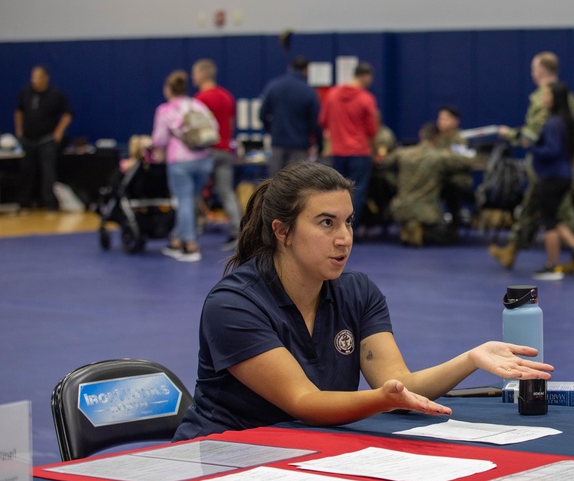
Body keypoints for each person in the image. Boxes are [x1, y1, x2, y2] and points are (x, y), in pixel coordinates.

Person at [172, 161, 552, 439]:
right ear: (282, 231)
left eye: (348, 221)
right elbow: (305, 401)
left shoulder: (356, 292)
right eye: (326, 223)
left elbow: (399, 382)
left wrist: (471, 358)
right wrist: (383, 400)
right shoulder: (234, 304)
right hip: (222, 459)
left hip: (300, 455)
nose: (344, 238)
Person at [489, 52, 574, 272]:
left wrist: (512, 135)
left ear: (540, 71)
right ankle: (512, 249)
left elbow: (537, 133)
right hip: (562, 165)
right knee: (536, 209)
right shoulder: (567, 95)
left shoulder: (546, 97)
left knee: (556, 213)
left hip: (549, 168)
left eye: (533, 68)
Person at [523, 82, 574, 279]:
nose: (543, 98)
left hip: (552, 177)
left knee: (548, 221)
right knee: (554, 216)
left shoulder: (553, 123)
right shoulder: (567, 122)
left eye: (547, 94)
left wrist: (531, 146)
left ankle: (552, 266)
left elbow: (552, 150)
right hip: (563, 176)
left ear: (555, 98)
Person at [151, 71, 216, 262]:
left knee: (184, 201)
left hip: (180, 161)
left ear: (168, 90)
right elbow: (214, 128)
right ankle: (177, 241)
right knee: (192, 200)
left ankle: (190, 245)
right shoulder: (197, 105)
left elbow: (159, 139)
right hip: (204, 160)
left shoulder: (165, 110)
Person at [382, 122, 477, 246]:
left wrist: (393, 181)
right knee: (445, 236)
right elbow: (468, 161)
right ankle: (420, 228)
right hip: (426, 213)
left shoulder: (403, 153)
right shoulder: (440, 157)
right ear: (438, 138)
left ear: (421, 135)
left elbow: (382, 163)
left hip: (399, 208)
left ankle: (407, 226)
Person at [192, 59, 241, 248]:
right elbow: (230, 125)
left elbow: (196, 131)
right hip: (225, 151)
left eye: (195, 73)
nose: (193, 77)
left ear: (203, 74)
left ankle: (189, 233)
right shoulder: (227, 96)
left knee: (195, 192)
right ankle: (237, 233)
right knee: (226, 192)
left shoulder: (199, 100)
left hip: (206, 152)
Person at [320, 62, 379, 219]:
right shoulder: (366, 98)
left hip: (337, 152)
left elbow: (323, 121)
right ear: (366, 77)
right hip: (359, 152)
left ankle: (333, 225)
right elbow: (371, 130)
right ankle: (350, 227)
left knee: (336, 191)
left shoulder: (332, 95)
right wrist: (375, 150)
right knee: (356, 192)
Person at [13, 65, 72, 211]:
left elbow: (67, 113)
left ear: (46, 78)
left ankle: (49, 204)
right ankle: (24, 202)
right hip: (28, 139)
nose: (34, 80)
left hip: (46, 140)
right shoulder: (26, 92)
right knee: (27, 171)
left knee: (48, 172)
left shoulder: (55, 94)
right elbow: (18, 111)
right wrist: (19, 131)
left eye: (38, 77)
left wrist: (58, 132)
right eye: (33, 76)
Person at [258, 56, 321, 177]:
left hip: (278, 144)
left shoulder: (273, 87)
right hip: (300, 146)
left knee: (274, 184)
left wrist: (271, 131)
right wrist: (319, 144)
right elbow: (315, 122)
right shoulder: (309, 91)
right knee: (298, 185)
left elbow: (262, 114)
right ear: (306, 70)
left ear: (290, 68)